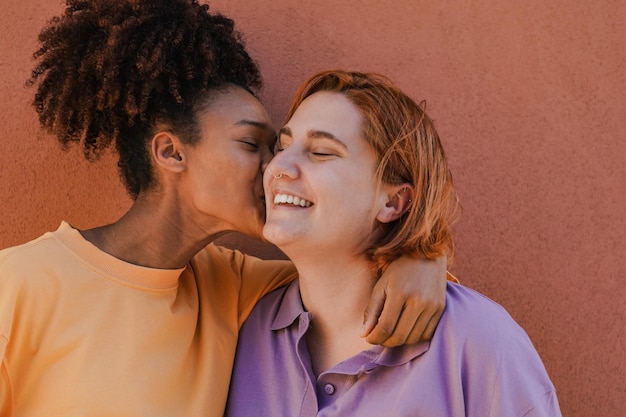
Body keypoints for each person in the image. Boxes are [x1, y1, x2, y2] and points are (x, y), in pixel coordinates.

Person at [0, 2, 450, 416]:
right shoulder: (20, 285)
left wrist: (424, 256)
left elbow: (352, 259)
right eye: (251, 144)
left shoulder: (234, 288)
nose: (274, 167)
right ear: (172, 153)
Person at [226, 70, 562, 416]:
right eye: (282, 147)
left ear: (393, 203)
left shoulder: (479, 340)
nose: (279, 165)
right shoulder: (244, 333)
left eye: (322, 152)